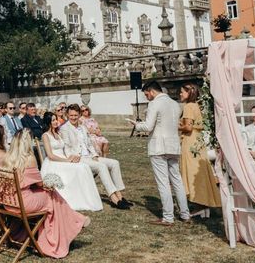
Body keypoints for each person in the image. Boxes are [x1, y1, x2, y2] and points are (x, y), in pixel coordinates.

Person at [1, 129, 89, 259]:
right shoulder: (29, 159)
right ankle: (58, 236)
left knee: (51, 196)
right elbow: (40, 184)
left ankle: (75, 221)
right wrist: (49, 184)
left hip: (9, 202)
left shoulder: (8, 157)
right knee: (52, 196)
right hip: (23, 203)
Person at [130, 80, 190, 225]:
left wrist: (136, 125)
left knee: (163, 182)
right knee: (177, 180)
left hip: (158, 146)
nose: (147, 97)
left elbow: (148, 126)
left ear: (151, 91)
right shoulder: (175, 104)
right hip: (173, 145)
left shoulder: (154, 103)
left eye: (146, 94)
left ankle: (168, 217)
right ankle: (185, 214)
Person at [60, 105, 130, 209]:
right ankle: (113, 198)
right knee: (101, 166)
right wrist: (73, 156)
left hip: (89, 156)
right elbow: (66, 146)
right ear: (67, 115)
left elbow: (89, 144)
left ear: (79, 115)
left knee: (115, 163)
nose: (74, 117)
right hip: (79, 158)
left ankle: (120, 196)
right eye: (71, 115)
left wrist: (95, 155)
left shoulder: (82, 127)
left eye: (76, 115)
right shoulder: (64, 128)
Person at [40, 111, 102, 211]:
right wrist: (66, 161)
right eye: (53, 120)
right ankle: (77, 198)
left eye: (56, 119)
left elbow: (65, 149)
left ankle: (86, 197)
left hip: (64, 159)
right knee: (80, 168)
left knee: (84, 166)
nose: (56, 122)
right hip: (54, 162)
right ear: (48, 122)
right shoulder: (45, 135)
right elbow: (50, 155)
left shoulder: (58, 134)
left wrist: (72, 157)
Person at [178, 82, 221, 218]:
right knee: (199, 171)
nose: (180, 94)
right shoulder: (197, 105)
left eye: (182, 92)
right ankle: (203, 205)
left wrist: (176, 126)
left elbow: (188, 127)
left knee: (191, 172)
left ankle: (199, 205)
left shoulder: (189, 107)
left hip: (190, 141)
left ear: (189, 93)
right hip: (198, 141)